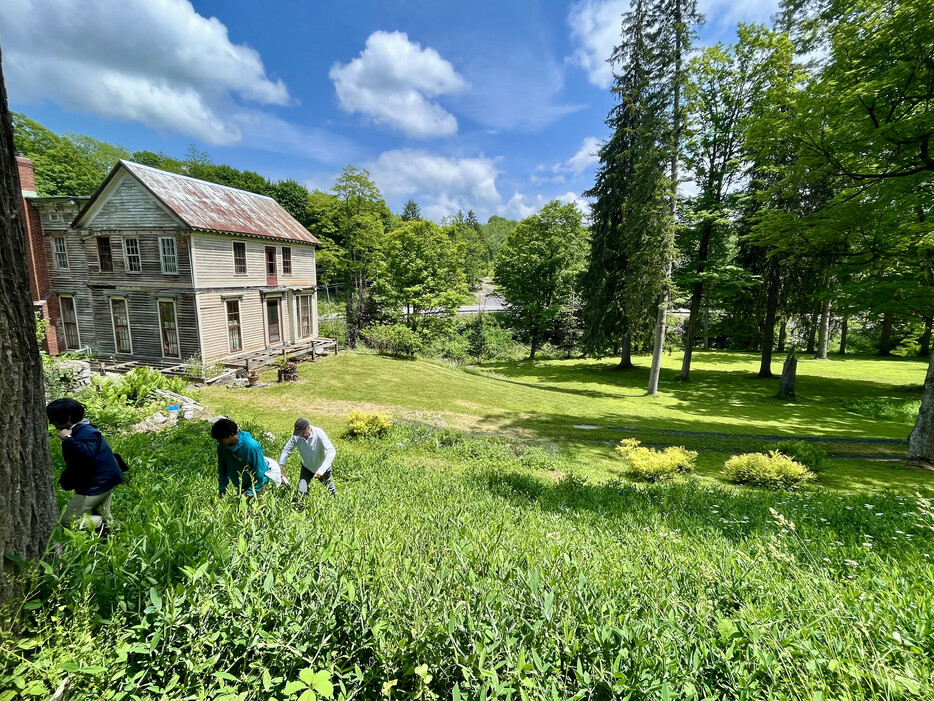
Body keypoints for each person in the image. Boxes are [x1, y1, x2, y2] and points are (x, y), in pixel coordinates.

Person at [47, 398, 124, 533]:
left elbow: (88, 453)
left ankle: (107, 524)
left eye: (53, 418)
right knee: (102, 511)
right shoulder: (83, 428)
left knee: (68, 520)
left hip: (96, 484)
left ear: (68, 418)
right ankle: (113, 531)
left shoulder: (86, 431)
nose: (51, 422)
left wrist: (68, 439)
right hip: (105, 480)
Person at [211, 418, 271, 498]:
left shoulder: (252, 446)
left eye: (220, 438)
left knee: (256, 509)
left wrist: (252, 491)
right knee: (240, 509)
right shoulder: (222, 447)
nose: (218, 441)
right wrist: (222, 489)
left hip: (257, 483)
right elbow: (223, 470)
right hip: (241, 483)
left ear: (231, 434)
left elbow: (260, 471)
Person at [279, 418, 337, 497]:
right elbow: (286, 450)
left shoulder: (319, 433)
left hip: (322, 468)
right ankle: (303, 507)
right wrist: (281, 466)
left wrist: (322, 470)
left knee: (330, 490)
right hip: (307, 467)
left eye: (302, 433)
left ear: (309, 429)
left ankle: (335, 504)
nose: (300, 435)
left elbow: (331, 451)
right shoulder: (296, 436)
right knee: (301, 491)